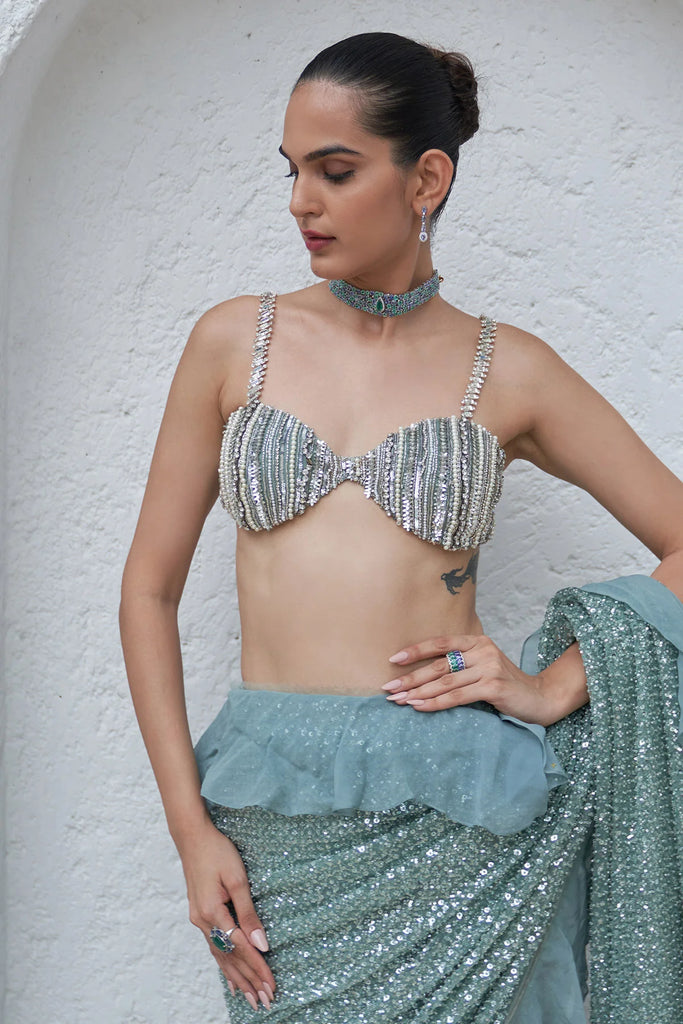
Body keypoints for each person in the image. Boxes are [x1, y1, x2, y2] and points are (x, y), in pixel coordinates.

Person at [119, 31, 683, 1023]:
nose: (301, 201)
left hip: (461, 820)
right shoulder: (232, 341)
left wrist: (556, 684)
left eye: (334, 171)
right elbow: (147, 591)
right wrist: (189, 832)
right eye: (292, 171)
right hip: (276, 816)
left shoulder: (509, 368)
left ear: (426, 178)